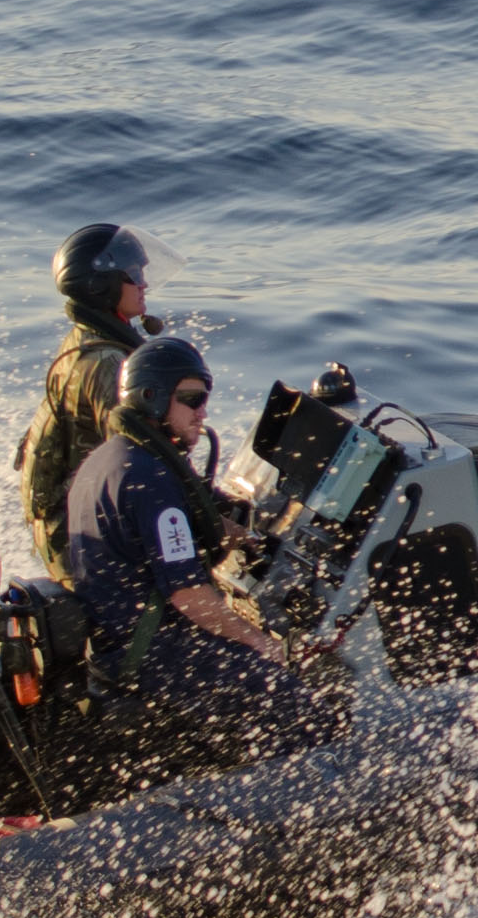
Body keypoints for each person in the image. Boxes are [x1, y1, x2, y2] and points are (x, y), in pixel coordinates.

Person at [60, 335, 330, 774]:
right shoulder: (151, 479)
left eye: (204, 399)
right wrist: (258, 640)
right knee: (298, 707)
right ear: (153, 398)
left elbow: (148, 532)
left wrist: (234, 532)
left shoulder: (108, 459)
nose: (203, 411)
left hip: (112, 641)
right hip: (152, 650)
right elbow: (189, 595)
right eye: (191, 399)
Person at [18, 221, 152, 581]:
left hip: (72, 526)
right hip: (81, 544)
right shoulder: (107, 364)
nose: (145, 284)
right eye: (135, 274)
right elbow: (139, 459)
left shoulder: (87, 338)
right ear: (101, 286)